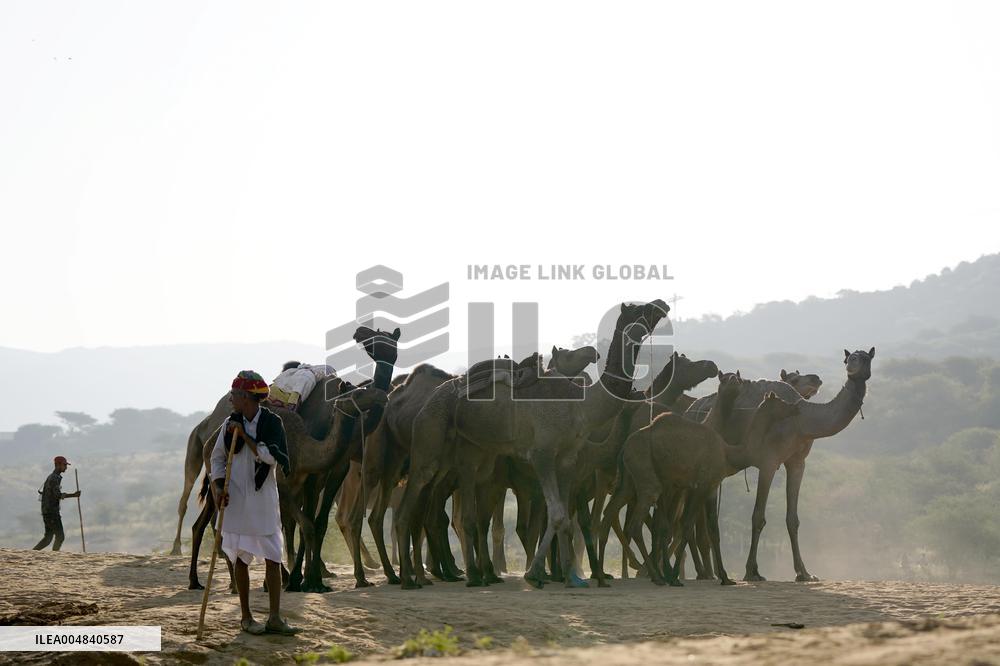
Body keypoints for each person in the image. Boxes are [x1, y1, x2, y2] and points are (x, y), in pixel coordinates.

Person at [211, 370, 300, 636]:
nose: (230, 400)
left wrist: (245, 436)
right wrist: (217, 487)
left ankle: (275, 617)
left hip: (263, 500)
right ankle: (246, 618)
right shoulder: (229, 424)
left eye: (235, 395)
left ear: (247, 397)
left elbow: (269, 457)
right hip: (235, 499)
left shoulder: (272, 424)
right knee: (240, 558)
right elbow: (217, 458)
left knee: (273, 557)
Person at [33, 456, 80, 551]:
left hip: (47, 511)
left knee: (48, 538)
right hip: (52, 513)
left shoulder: (52, 477)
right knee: (60, 537)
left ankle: (31, 554)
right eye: (64, 465)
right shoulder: (54, 478)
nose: (66, 467)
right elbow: (57, 495)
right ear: (57, 465)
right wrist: (73, 495)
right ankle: (54, 557)